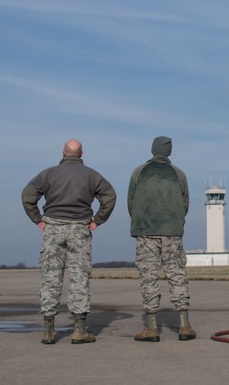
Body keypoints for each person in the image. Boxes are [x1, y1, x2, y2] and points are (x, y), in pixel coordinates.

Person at [21, 138, 116, 345]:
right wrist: (97, 220)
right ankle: (79, 330)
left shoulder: (48, 174)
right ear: (82, 154)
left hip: (53, 228)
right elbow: (110, 196)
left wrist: (38, 219)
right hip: (79, 229)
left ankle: (48, 330)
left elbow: (28, 195)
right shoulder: (92, 175)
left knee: (50, 277)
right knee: (79, 277)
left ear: (63, 153)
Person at [128, 135, 194, 341]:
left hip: (146, 231)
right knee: (177, 275)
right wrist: (174, 221)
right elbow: (185, 203)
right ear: (169, 152)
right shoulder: (179, 174)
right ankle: (184, 325)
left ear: (152, 150)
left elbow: (131, 202)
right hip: (172, 231)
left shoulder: (139, 172)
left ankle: (151, 326)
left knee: (148, 276)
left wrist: (142, 222)